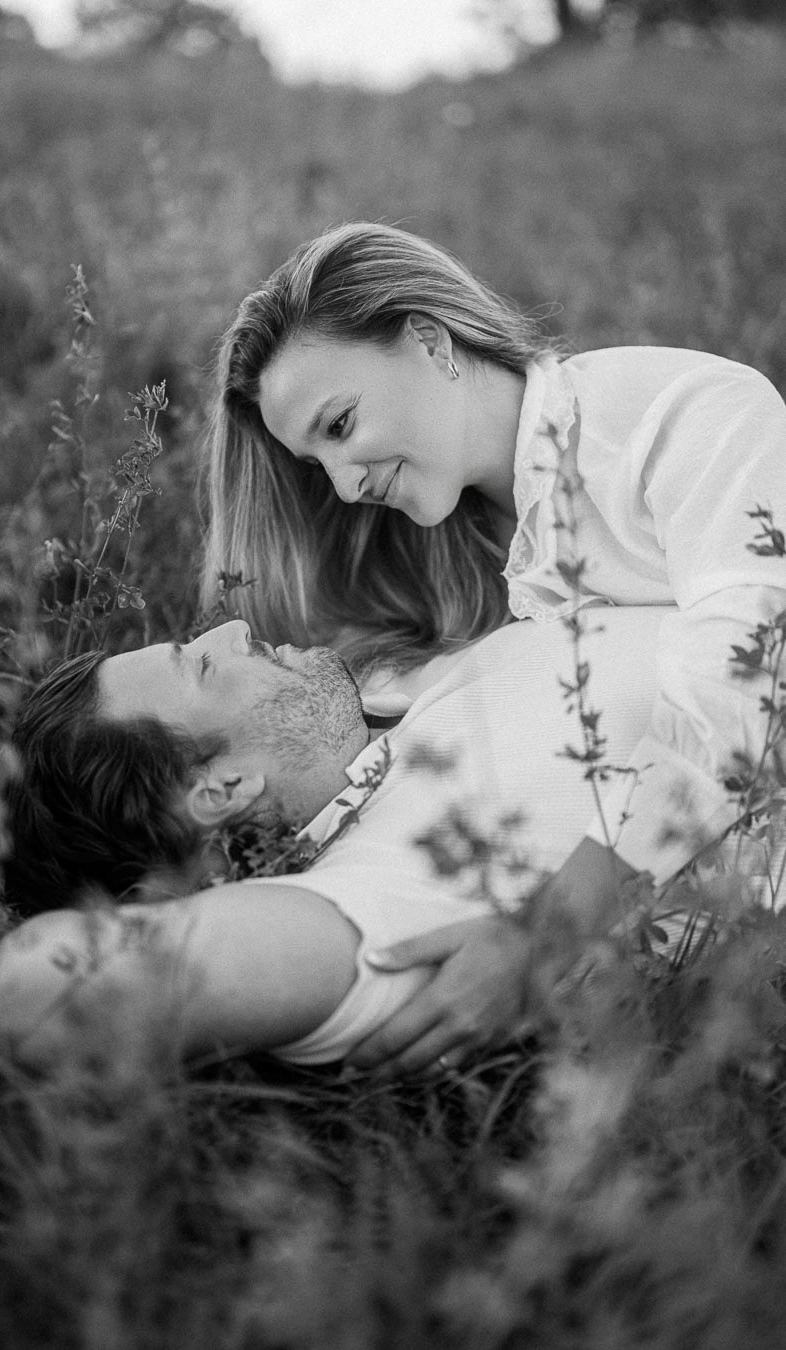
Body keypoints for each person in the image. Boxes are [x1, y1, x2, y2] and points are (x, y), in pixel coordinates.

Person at [201, 220, 786, 1072]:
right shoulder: (457, 553)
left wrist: (548, 931)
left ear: (431, 342)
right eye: (313, 464)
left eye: (341, 423)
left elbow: (755, 670)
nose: (344, 485)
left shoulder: (677, 415)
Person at [0, 607, 682, 1075]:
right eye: (201, 664)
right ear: (222, 788)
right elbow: (37, 987)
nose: (233, 624)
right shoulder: (376, 885)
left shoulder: (387, 697)